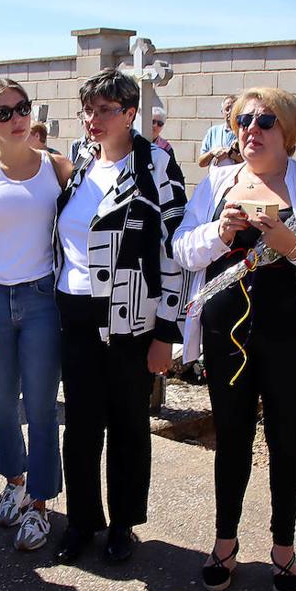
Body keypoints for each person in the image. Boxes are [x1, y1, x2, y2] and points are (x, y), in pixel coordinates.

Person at [173, 87, 296, 591]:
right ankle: (224, 545)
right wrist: (218, 232)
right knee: (230, 439)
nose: (251, 129)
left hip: (291, 334)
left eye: (265, 120)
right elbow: (183, 250)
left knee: (286, 440)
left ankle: (284, 549)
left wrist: (291, 244)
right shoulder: (216, 183)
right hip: (224, 332)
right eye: (243, 120)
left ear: (290, 132)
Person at [52, 68, 187, 565]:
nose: (94, 119)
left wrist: (166, 333)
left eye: (106, 109)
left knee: (128, 424)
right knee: (81, 425)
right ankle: (82, 522)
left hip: (131, 319)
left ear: (131, 114)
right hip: (75, 312)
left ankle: (123, 525)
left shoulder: (156, 167)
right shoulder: (82, 162)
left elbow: (174, 253)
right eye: (88, 109)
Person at [0, 79, 72, 551]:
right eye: (3, 113)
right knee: (1, 404)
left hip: (43, 301)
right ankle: (15, 481)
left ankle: (40, 505)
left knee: (42, 407)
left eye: (21, 109)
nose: (16, 118)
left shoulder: (58, 169)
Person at [197, 94, 239, 167]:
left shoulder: (244, 132)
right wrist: (212, 152)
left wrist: (230, 154)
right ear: (222, 112)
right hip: (215, 177)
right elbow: (201, 163)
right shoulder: (213, 132)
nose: (230, 112)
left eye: (234, 109)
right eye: (227, 109)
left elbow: (249, 163)